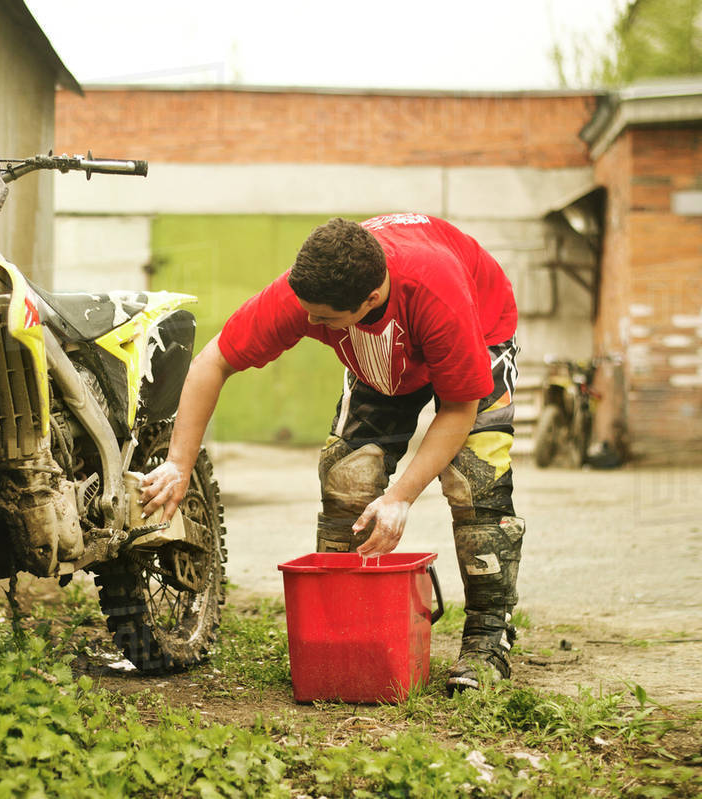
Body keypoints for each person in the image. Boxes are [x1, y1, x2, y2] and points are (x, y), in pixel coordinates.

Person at [140, 213, 524, 693]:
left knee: (474, 477)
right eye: (308, 312)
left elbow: (458, 411)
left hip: (477, 329)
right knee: (348, 476)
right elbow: (212, 363)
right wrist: (178, 464)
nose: (309, 323)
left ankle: (489, 638)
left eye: (322, 319)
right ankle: (344, 628)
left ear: (369, 299)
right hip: (385, 352)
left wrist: (401, 497)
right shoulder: (303, 295)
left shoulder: (436, 291)